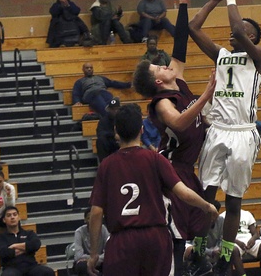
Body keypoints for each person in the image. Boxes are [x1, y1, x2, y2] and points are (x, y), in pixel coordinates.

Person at [132, 0, 218, 275]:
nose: (167, 63)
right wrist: (207, 94)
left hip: (189, 167)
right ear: (157, 80)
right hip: (171, 171)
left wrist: (183, 2)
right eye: (159, 65)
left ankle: (198, 261)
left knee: (202, 222)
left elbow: (181, 41)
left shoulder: (177, 81)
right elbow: (180, 125)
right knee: (180, 236)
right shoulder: (162, 103)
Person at [189, 0, 261, 275]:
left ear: (252, 39)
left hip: (243, 133)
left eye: (245, 31)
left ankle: (225, 255)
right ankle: (197, 250)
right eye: (237, 30)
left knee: (233, 200)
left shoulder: (259, 59)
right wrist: (213, 1)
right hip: (218, 130)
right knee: (205, 196)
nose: (235, 32)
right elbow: (193, 27)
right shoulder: (221, 55)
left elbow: (237, 26)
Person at [87, 103, 218, 276]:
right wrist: (206, 206)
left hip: (122, 241)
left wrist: (94, 253)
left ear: (116, 132)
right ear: (142, 130)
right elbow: (183, 192)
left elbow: (96, 213)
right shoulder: (156, 159)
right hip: (155, 238)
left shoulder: (106, 166)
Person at [0, 206, 55, 276]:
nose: (12, 217)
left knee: (47, 272)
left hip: (31, 266)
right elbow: (3, 252)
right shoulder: (1, 238)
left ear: (19, 217)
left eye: (15, 214)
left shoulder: (29, 233)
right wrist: (26, 248)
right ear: (4, 220)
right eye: (9, 215)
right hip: (11, 268)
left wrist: (14, 246)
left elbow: (36, 244)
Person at [220, 208, 261, 276]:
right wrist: (237, 242)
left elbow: (255, 234)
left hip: (249, 241)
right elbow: (223, 236)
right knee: (233, 250)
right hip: (234, 242)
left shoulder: (247, 214)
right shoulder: (222, 216)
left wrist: (252, 240)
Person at [73, 208, 109, 276]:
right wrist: (91, 260)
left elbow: (108, 252)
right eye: (89, 218)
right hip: (85, 263)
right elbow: (78, 256)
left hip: (99, 261)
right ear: (85, 220)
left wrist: (96, 260)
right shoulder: (79, 232)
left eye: (94, 218)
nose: (92, 220)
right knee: (81, 266)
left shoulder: (103, 229)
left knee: (111, 263)